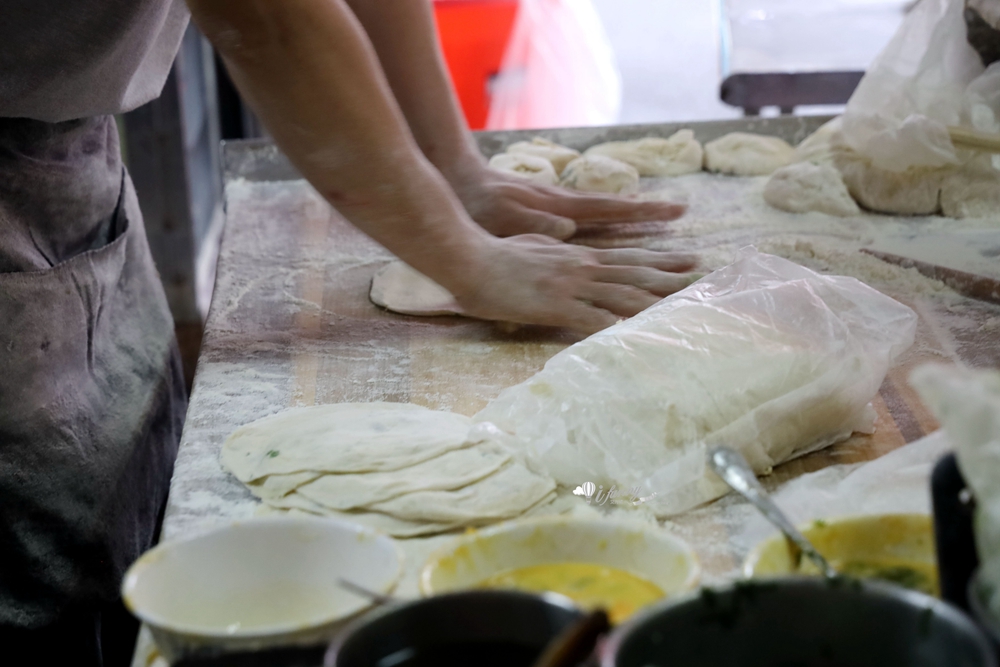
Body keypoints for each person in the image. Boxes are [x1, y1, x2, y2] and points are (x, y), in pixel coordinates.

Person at [0, 1, 693, 664]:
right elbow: (267, 18)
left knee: (136, 519)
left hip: (71, 148)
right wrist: (467, 256)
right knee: (44, 582)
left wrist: (450, 168)